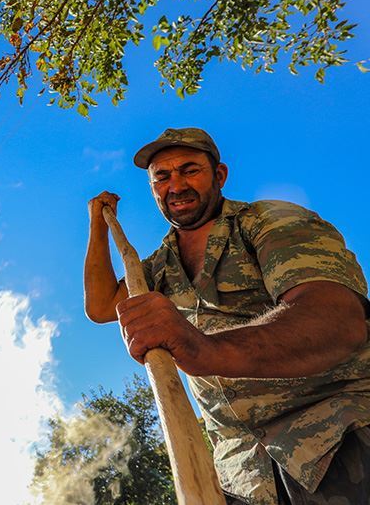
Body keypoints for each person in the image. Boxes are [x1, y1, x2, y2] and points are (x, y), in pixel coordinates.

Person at [83, 127, 370, 505]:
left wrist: (202, 348)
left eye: (190, 170)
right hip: (241, 478)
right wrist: (98, 225)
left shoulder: (266, 222)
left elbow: (335, 321)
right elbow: (102, 306)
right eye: (162, 177)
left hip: (337, 439)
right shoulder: (158, 268)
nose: (176, 185)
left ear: (219, 176)